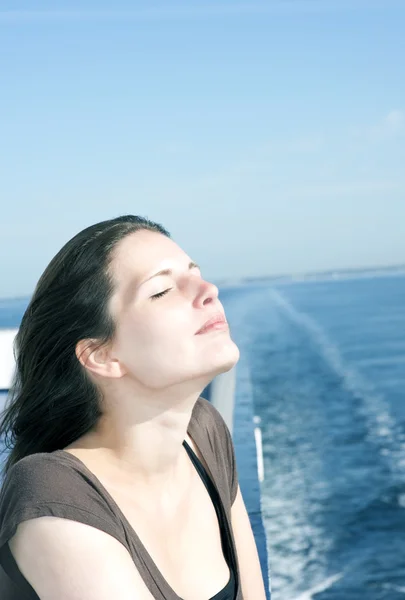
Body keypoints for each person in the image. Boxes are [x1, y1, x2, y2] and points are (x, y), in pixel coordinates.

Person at [0, 215, 267, 600]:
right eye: (161, 291)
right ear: (102, 355)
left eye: (196, 273)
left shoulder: (204, 433)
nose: (209, 289)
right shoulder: (56, 498)